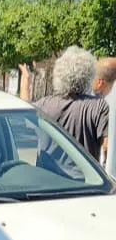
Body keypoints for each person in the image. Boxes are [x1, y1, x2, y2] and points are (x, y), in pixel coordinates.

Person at [32, 46, 109, 177]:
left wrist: (25, 82)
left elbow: (22, 114)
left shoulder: (43, 105)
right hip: (84, 182)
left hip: (45, 181)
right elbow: (107, 147)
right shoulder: (98, 106)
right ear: (89, 75)